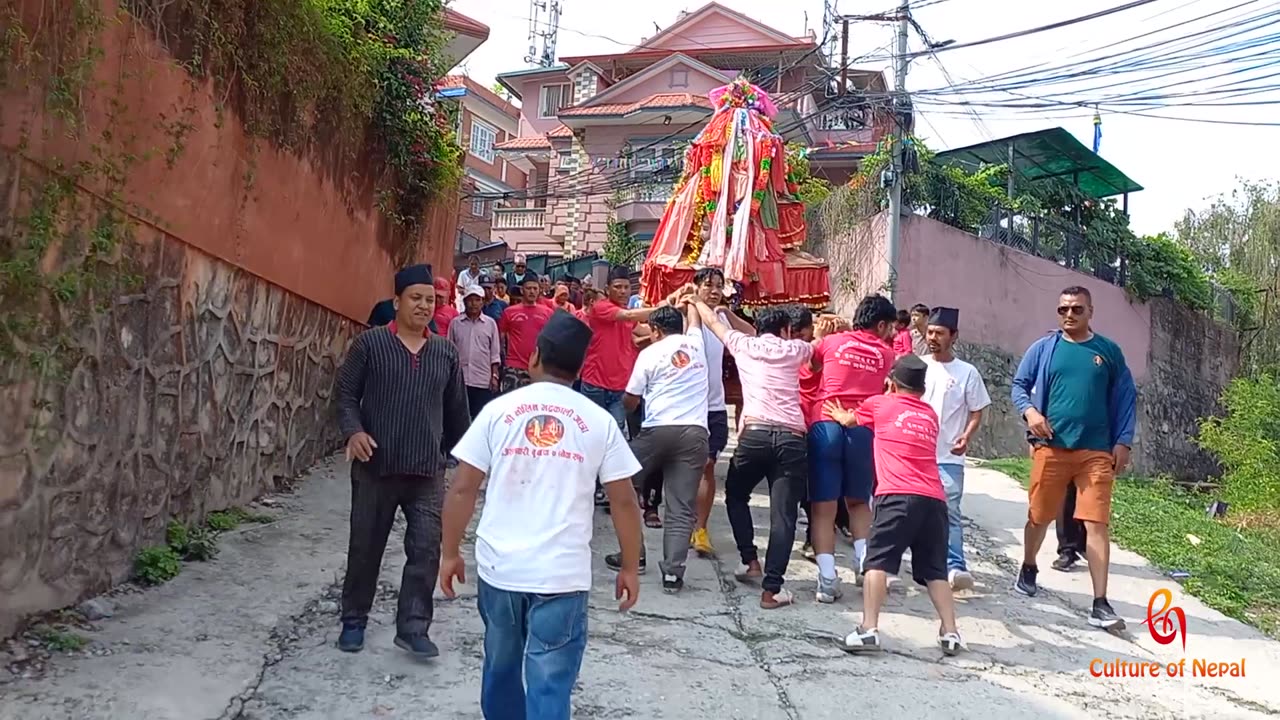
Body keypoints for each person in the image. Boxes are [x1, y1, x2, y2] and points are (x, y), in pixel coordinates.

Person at [440, 312, 645, 720]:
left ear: (533, 357)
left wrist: (449, 552)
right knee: (550, 684)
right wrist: (629, 566)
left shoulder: (499, 411)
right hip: (562, 577)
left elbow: (463, 487)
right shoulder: (598, 421)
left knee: (500, 669)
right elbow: (624, 501)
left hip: (501, 569)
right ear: (580, 368)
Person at [334, 264, 470, 658]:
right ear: (396, 302)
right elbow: (344, 396)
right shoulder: (370, 345)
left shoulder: (444, 352)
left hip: (427, 472)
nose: (424, 306)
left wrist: (466, 459)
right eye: (416, 298)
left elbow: (457, 414)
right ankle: (354, 621)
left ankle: (413, 628)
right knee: (365, 547)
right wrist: (353, 431)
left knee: (426, 550)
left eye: (431, 299)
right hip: (376, 466)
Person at [1010, 285, 1136, 630]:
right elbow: (1019, 386)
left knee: (1096, 523)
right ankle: (1029, 566)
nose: (1069, 315)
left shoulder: (1108, 352)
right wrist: (1030, 413)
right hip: (1051, 448)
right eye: (1063, 309)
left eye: (1077, 309)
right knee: (1039, 516)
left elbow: (1126, 397)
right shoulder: (1044, 348)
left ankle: (1100, 602)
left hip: (1095, 451)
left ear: (1090, 312)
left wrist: (1123, 440)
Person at [824, 354, 964, 655]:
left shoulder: (880, 404)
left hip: (897, 494)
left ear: (890, 383)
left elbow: (851, 420)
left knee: (876, 561)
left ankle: (869, 629)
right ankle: (951, 632)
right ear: (922, 391)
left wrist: (839, 414)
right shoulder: (929, 414)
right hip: (934, 500)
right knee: (935, 571)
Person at [693, 300, 810, 609]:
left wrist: (700, 302)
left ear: (758, 328)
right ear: (786, 330)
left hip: (754, 435)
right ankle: (772, 590)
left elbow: (716, 325)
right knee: (783, 516)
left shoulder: (744, 345)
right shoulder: (796, 349)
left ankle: (749, 559)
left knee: (735, 494)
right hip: (791, 437)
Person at [604, 303, 709, 593]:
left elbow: (631, 398)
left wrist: (627, 413)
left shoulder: (650, 353)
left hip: (657, 430)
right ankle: (673, 574)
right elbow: (696, 321)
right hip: (695, 433)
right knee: (680, 505)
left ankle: (633, 555)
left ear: (657, 330)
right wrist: (692, 302)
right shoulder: (696, 344)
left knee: (621, 486)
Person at [807, 295, 897, 603]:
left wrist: (822, 337)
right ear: (881, 325)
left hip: (825, 423)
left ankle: (828, 580)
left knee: (824, 508)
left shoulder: (832, 342)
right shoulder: (886, 354)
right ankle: (863, 563)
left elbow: (813, 365)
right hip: (861, 428)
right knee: (859, 503)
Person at [921, 307, 991, 591]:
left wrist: (966, 436)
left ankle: (955, 566)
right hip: (916, 454)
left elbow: (976, 411)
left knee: (949, 511)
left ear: (954, 336)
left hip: (949, 456)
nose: (933, 338)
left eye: (939, 333)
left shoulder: (967, 373)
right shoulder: (917, 366)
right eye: (930, 332)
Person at [688, 268, 755, 558]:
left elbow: (752, 334)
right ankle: (681, 521)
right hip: (687, 406)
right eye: (708, 286)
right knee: (684, 468)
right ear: (696, 287)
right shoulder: (684, 312)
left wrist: (728, 312)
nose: (714, 291)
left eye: (719, 286)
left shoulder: (723, 319)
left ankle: (700, 529)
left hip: (714, 406)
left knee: (708, 465)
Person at [798, 312, 850, 561]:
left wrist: (826, 337)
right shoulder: (833, 361)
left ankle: (815, 537)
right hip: (817, 423)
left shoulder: (820, 355)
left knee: (816, 489)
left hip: (816, 425)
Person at [448, 285, 501, 420]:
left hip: (482, 380)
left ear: (482, 302)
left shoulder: (490, 324)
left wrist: (494, 376)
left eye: (477, 300)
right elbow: (449, 352)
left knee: (480, 420)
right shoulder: (455, 323)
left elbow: (495, 353)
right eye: (470, 300)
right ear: (465, 302)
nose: (473, 304)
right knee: (458, 419)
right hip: (460, 380)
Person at [499, 276, 555, 394]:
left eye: (535, 288)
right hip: (514, 367)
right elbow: (501, 338)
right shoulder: (509, 312)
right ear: (522, 290)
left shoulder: (548, 313)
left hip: (538, 369)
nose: (532, 291)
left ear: (539, 290)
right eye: (528, 288)